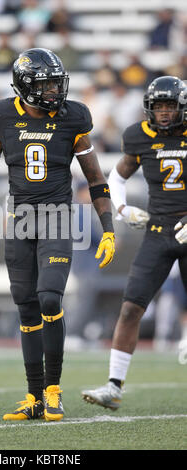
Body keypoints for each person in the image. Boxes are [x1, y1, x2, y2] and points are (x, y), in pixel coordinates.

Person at [0, 48, 115, 421]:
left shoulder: (73, 118)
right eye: (45, 84)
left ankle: (53, 390)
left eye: (55, 83)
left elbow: (96, 179)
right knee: (26, 305)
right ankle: (33, 397)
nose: (53, 91)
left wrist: (109, 230)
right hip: (19, 221)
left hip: (58, 217)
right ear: (25, 86)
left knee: (49, 298)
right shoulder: (0, 116)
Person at [82, 75, 187, 410]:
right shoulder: (138, 136)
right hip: (158, 231)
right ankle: (114, 386)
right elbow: (117, 175)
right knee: (131, 307)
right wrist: (123, 208)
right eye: (159, 106)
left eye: (170, 106)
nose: (165, 113)